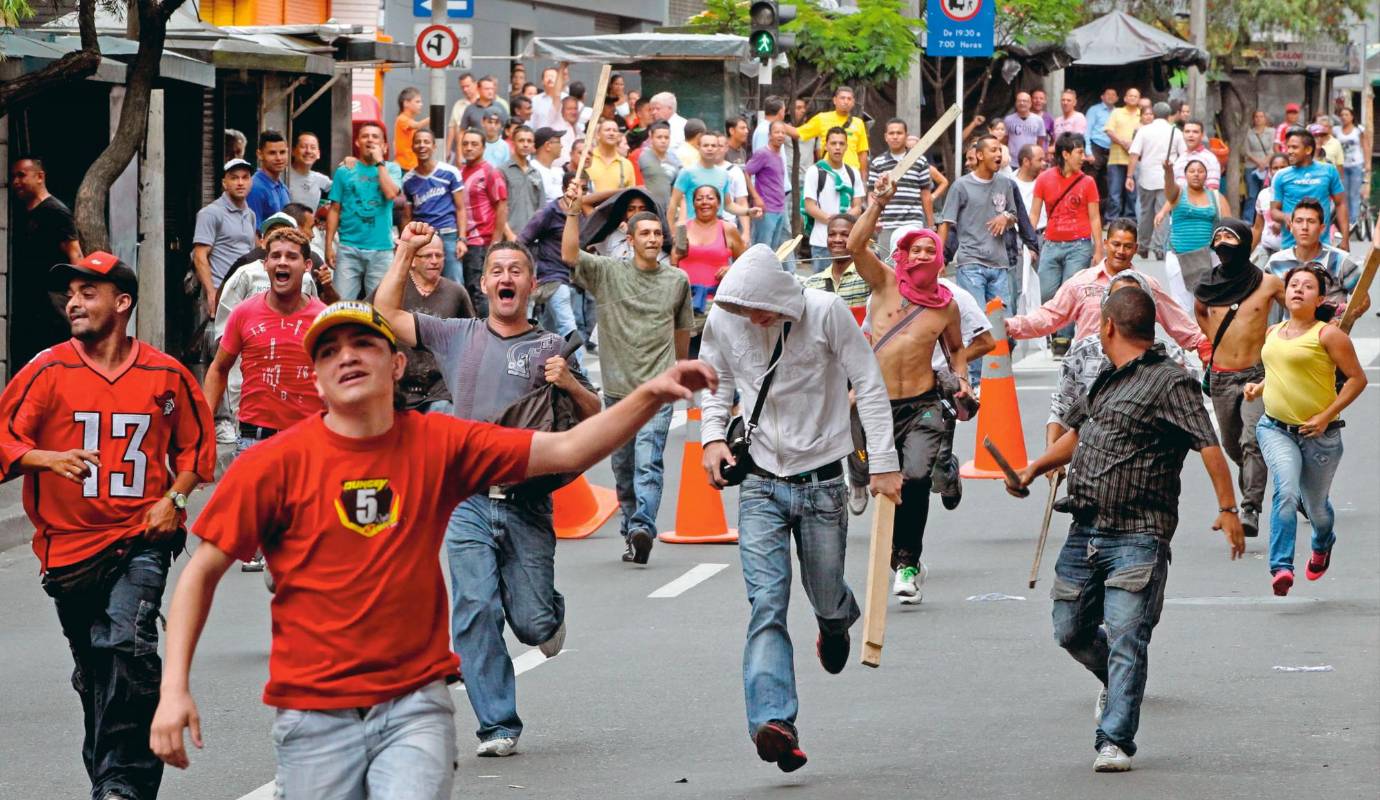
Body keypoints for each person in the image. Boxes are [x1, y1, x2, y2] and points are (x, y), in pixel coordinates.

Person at [149, 239, 716, 795]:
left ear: (396, 363)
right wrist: (173, 688)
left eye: (363, 344)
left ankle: (497, 713)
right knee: (474, 605)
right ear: (317, 378)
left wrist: (649, 396)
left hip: (413, 707)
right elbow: (201, 572)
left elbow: (567, 451)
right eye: (329, 351)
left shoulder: (439, 444)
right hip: (312, 711)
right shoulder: (271, 465)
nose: (347, 356)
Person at [0, 251, 215, 800]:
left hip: (141, 540)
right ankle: (111, 781)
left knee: (127, 646)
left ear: (121, 304)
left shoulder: (165, 374)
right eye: (70, 294)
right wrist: (42, 458)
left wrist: (174, 496)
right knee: (100, 669)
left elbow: (195, 448)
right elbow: (4, 437)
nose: (73, 302)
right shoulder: (46, 369)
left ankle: (124, 787)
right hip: (67, 553)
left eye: (87, 292)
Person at [374, 229, 597, 757]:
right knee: (474, 606)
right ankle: (497, 723)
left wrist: (568, 383)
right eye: (496, 270)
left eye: (515, 271)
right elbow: (385, 313)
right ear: (482, 284)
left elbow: (596, 419)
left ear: (532, 285)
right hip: (466, 499)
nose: (505, 278)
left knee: (531, 620)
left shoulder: (550, 347)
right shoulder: (456, 334)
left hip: (526, 503)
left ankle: (550, 612)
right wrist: (404, 252)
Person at [1005, 285, 1245, 774]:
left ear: (1107, 326)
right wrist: (1033, 468)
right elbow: (1079, 433)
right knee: (1069, 629)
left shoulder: (1169, 381)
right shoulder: (1106, 378)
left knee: (1126, 636)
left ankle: (1114, 739)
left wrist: (1228, 508)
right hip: (1085, 528)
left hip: (1140, 533)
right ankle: (1116, 682)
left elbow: (1208, 444)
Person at [699, 243, 901, 773]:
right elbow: (714, 384)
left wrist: (882, 463)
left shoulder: (827, 312)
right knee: (766, 602)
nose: (754, 317)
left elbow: (871, 386)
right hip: (761, 483)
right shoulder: (724, 319)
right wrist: (712, 440)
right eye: (745, 309)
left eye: (762, 308)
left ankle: (835, 624)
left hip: (823, 484)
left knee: (827, 594)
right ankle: (776, 722)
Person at [847, 177, 972, 600]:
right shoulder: (883, 283)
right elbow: (855, 245)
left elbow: (956, 351)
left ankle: (908, 562)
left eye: (929, 250)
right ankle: (861, 483)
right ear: (903, 255)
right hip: (876, 406)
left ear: (939, 260)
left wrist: (964, 382)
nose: (922, 255)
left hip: (922, 406)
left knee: (915, 477)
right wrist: (877, 203)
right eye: (915, 249)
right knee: (877, 476)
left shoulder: (947, 305)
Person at [561, 184, 694, 564]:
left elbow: (681, 331)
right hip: (618, 390)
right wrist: (573, 211)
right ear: (629, 238)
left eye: (656, 233)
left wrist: (679, 375)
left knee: (649, 458)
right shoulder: (606, 272)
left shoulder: (676, 281)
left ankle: (643, 526)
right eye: (645, 234)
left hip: (659, 386)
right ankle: (630, 533)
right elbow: (570, 254)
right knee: (624, 467)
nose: (652, 239)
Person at [202, 228, 329, 570]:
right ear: (265, 263)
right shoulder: (244, 313)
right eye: (275, 256)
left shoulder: (322, 319)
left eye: (291, 257)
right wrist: (201, 424)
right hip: (254, 437)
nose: (282, 262)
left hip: (309, 438)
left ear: (306, 266)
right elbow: (218, 369)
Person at [1245, 265, 1366, 596]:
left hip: (1320, 437)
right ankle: (1281, 567)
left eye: (1307, 286)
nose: (1298, 289)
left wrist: (1327, 415)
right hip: (1275, 428)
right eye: (1293, 284)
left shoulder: (1328, 335)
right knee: (1285, 491)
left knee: (1316, 510)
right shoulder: (1273, 332)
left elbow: (1357, 379)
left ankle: (1323, 542)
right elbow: (1281, 372)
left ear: (1320, 298)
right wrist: (1259, 387)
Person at [1193, 219, 1287, 540]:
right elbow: (1200, 312)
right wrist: (1212, 341)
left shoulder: (1269, 284)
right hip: (1220, 378)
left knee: (1252, 440)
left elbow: (1297, 314)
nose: (1223, 243)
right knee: (1233, 444)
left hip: (1256, 376)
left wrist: (1283, 339)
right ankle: (1253, 479)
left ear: (1245, 243)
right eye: (1218, 237)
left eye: (1230, 237)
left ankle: (1250, 508)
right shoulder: (1207, 285)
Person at [1008, 217, 1210, 361]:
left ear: (1136, 249)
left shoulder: (1147, 286)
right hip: (1087, 373)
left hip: (1132, 375)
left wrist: (1205, 347)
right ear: (1105, 244)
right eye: (1116, 244)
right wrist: (1010, 326)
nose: (1121, 251)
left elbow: (1179, 324)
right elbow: (1049, 317)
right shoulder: (1082, 283)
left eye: (1127, 246)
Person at [937, 134, 1021, 380]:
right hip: (970, 263)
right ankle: (971, 378)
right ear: (980, 155)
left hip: (1000, 264)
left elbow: (1015, 214)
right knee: (976, 323)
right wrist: (939, 258)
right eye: (994, 150)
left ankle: (998, 372)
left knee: (1003, 322)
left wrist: (1006, 217)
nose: (999, 154)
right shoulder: (961, 186)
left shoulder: (1006, 184)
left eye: (1001, 150)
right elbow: (946, 223)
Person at [365, 224, 473, 410]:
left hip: (441, 390)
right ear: (413, 260)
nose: (434, 261)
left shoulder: (456, 292)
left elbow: (471, 339)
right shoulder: (393, 291)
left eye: (439, 255)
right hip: (398, 388)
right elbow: (364, 316)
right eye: (428, 256)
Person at [1029, 133, 1103, 353]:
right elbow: (1034, 214)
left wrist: (1098, 249)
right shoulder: (1044, 179)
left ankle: (1063, 339)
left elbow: (1095, 217)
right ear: (1065, 153)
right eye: (1079, 152)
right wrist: (1027, 240)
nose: (1083, 157)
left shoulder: (1088, 182)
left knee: (1071, 291)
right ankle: (1055, 328)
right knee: (1047, 292)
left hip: (1079, 245)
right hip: (1050, 243)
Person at [7, 156, 83, 366]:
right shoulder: (22, 213)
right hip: (28, 302)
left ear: (40, 176)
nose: (15, 182)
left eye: (21, 175)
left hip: (51, 302)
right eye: (13, 177)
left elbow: (75, 254)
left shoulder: (56, 211)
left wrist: (76, 294)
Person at [326, 123, 403, 301]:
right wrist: (329, 245)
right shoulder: (344, 171)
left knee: (381, 306)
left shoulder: (392, 168)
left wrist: (379, 162)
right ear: (357, 142)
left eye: (375, 136)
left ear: (384, 145)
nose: (370, 139)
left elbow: (391, 193)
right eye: (365, 136)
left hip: (381, 249)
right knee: (341, 306)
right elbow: (334, 209)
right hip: (348, 248)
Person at [1265, 198, 1368, 321]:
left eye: (1311, 221)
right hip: (1290, 337)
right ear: (1291, 227)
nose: (1304, 227)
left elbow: (1363, 300)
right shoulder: (1275, 263)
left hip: (1329, 336)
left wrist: (1341, 322)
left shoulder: (1340, 260)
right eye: (1299, 221)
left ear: (1322, 228)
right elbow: (1266, 303)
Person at [1160, 155, 1231, 311]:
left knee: (1207, 303)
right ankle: (1184, 336)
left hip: (1208, 257)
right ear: (1185, 175)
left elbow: (1229, 225)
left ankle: (1204, 335)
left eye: (1200, 171)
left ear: (1206, 175)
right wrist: (1168, 171)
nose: (1196, 174)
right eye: (1192, 171)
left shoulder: (1216, 197)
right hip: (1178, 255)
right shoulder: (1177, 194)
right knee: (1181, 304)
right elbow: (1169, 187)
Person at [402, 128, 468, 286]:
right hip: (424, 238)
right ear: (412, 147)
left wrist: (462, 239)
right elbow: (407, 216)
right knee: (423, 283)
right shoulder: (407, 180)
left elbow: (461, 208)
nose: (422, 145)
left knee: (455, 283)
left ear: (434, 146)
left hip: (448, 235)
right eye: (418, 142)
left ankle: (460, 312)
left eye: (426, 141)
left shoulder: (450, 172)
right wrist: (406, 244)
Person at [193, 159, 258, 316]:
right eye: (234, 178)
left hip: (246, 293)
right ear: (224, 183)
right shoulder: (210, 213)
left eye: (245, 177)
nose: (240, 183)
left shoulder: (250, 215)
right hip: (221, 292)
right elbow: (200, 256)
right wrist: (211, 293)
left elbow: (251, 253)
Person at [672, 185, 747, 319]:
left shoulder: (728, 229)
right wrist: (675, 257)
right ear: (693, 204)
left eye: (710, 198)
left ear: (718, 204)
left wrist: (731, 269)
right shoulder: (683, 229)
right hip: (686, 300)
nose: (704, 202)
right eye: (699, 199)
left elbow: (747, 264)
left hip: (719, 301)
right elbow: (673, 267)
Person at [1270, 128, 1349, 252]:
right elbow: (1274, 211)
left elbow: (1341, 204)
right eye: (1288, 147)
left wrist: (1345, 239)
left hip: (1322, 248)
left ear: (1308, 150)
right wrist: (1286, 217)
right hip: (1289, 248)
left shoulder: (1329, 171)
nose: (1289, 151)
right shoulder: (1280, 176)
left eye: (1294, 147)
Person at [459, 128, 510, 316]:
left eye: (474, 144)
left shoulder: (490, 172)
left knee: (480, 291)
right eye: (465, 144)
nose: (469, 148)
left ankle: (486, 335)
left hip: (482, 242)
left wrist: (496, 241)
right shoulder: (461, 171)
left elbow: (502, 206)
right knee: (470, 290)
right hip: (465, 241)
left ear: (483, 147)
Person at [867, 118, 936, 252]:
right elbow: (872, 194)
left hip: (912, 222)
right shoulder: (877, 162)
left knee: (911, 263)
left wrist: (931, 225)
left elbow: (925, 194)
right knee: (888, 265)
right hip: (886, 224)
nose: (895, 136)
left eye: (899, 133)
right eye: (891, 133)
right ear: (885, 137)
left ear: (906, 136)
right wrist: (873, 220)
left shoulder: (920, 161)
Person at [1124, 102, 1181, 258]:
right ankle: (1158, 247)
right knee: (1162, 212)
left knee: (1145, 212)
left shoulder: (1144, 131)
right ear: (1169, 115)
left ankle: (1142, 245)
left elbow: (1134, 154)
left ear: (1153, 114)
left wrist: (1129, 176)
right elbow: (1183, 155)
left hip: (1146, 177)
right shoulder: (1175, 132)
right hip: (1167, 178)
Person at [804, 128, 865, 267]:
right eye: (833, 143)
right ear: (826, 145)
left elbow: (857, 206)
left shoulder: (853, 172)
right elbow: (809, 206)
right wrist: (834, 222)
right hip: (821, 242)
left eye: (841, 143)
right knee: (820, 288)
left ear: (846, 146)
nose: (837, 147)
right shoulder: (815, 171)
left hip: (848, 243)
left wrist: (842, 222)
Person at [785, 86, 871, 183]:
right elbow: (798, 133)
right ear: (835, 100)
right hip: (828, 174)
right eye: (842, 98)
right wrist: (775, 123)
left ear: (853, 102)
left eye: (849, 99)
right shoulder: (822, 119)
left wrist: (863, 180)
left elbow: (862, 153)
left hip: (851, 175)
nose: (846, 101)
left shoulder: (858, 123)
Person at [744, 120, 790, 251]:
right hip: (766, 208)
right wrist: (756, 197)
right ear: (769, 135)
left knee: (773, 249)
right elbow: (746, 172)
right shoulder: (763, 153)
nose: (780, 135)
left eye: (783, 132)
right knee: (761, 249)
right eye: (776, 132)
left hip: (779, 207)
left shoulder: (779, 155)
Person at [1103, 87, 1143, 220]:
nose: (1132, 98)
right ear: (1125, 98)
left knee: (1132, 194)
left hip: (1135, 160)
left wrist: (1133, 145)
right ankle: (1111, 220)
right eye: (1129, 95)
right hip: (1116, 159)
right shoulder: (1117, 112)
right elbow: (1109, 130)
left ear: (1139, 100)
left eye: (1135, 96)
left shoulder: (1142, 114)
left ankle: (1130, 221)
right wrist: (1123, 143)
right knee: (1114, 193)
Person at [500, 125, 544, 239]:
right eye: (521, 140)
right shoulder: (502, 171)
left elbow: (541, 208)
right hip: (509, 237)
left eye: (529, 141)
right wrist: (509, 234)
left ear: (533, 145)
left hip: (532, 238)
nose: (525, 144)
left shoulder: (536, 173)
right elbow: (498, 208)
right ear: (513, 143)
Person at [1251, 154, 1291, 264]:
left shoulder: (1296, 194)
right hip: (1266, 250)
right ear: (1270, 171)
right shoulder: (1263, 195)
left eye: (1283, 167)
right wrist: (1247, 254)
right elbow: (1258, 228)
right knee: (1259, 279)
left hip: (1289, 253)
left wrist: (1283, 222)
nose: (1279, 171)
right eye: (1275, 168)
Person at [246, 130, 291, 224]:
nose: (279, 158)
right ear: (260, 155)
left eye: (282, 152)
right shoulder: (255, 188)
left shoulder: (282, 187)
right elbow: (253, 232)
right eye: (272, 153)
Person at [1334, 107, 1370, 224]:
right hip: (1341, 166)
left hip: (1356, 165)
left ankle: (1353, 221)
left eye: (1346, 114)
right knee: (1343, 194)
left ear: (1352, 117)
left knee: (1353, 194)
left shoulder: (1358, 130)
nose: (1344, 117)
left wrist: (1367, 163)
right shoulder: (1336, 131)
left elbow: (1365, 147)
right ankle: (1344, 220)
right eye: (1342, 115)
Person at [637, 120, 681, 216]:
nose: (663, 141)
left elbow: (676, 190)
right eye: (659, 137)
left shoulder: (674, 162)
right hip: (645, 210)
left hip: (668, 212)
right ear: (651, 137)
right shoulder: (641, 156)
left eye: (666, 137)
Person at [1085, 87, 1119, 207]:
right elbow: (1087, 131)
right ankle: (1086, 208)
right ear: (1102, 97)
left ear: (1117, 99)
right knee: (1091, 179)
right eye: (1108, 94)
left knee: (1108, 182)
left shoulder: (1118, 112)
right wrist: (1088, 151)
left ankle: (1103, 214)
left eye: (1113, 95)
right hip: (1096, 147)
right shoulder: (1094, 110)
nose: (1110, 96)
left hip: (1112, 150)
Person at [285, 131, 333, 210]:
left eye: (313, 147)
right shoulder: (283, 175)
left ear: (318, 154)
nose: (308, 151)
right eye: (303, 146)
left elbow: (343, 190)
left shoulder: (320, 179)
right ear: (293, 151)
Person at [585, 118, 635, 192]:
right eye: (607, 130)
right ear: (598, 135)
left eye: (615, 131)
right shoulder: (587, 159)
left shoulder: (626, 164)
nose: (611, 133)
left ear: (618, 137)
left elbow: (631, 194)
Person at [1242, 111, 1274, 224]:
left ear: (1265, 118)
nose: (1259, 119)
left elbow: (1272, 149)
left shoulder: (1271, 132)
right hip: (1252, 166)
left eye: (1261, 116)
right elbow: (1246, 151)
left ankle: (1267, 219)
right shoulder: (1248, 133)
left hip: (1268, 165)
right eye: (1256, 117)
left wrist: (1265, 162)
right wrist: (1259, 162)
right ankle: (1248, 220)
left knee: (1268, 193)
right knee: (1252, 194)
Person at [1172, 119, 1221, 191]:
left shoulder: (1210, 158)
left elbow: (1212, 191)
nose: (1190, 135)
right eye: (1187, 131)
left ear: (1202, 135)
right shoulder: (1180, 159)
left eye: (1195, 132)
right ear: (1183, 134)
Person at [447, 72, 481, 162]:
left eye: (467, 86)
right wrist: (447, 150)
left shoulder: (483, 102)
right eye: (462, 87)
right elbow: (452, 128)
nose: (465, 89)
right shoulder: (458, 104)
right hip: (460, 148)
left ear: (475, 84)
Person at [1004, 91, 1049, 160]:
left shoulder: (1038, 120)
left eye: (1024, 101)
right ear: (1016, 103)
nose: (1022, 103)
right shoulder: (1008, 120)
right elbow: (1005, 139)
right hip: (1012, 161)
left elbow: (1040, 142)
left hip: (1031, 161)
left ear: (1030, 104)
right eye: (1019, 101)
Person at [393, 88, 426, 171]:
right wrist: (435, 115)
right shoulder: (402, 119)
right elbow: (417, 125)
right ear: (406, 103)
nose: (421, 104)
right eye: (417, 101)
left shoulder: (407, 120)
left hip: (411, 165)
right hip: (404, 166)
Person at [531, 126, 566, 203]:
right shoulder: (532, 170)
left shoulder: (558, 171)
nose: (561, 146)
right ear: (548, 145)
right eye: (558, 142)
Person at [529, 65, 567, 132]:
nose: (550, 79)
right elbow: (532, 121)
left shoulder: (566, 98)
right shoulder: (535, 100)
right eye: (547, 76)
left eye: (552, 76)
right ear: (542, 81)